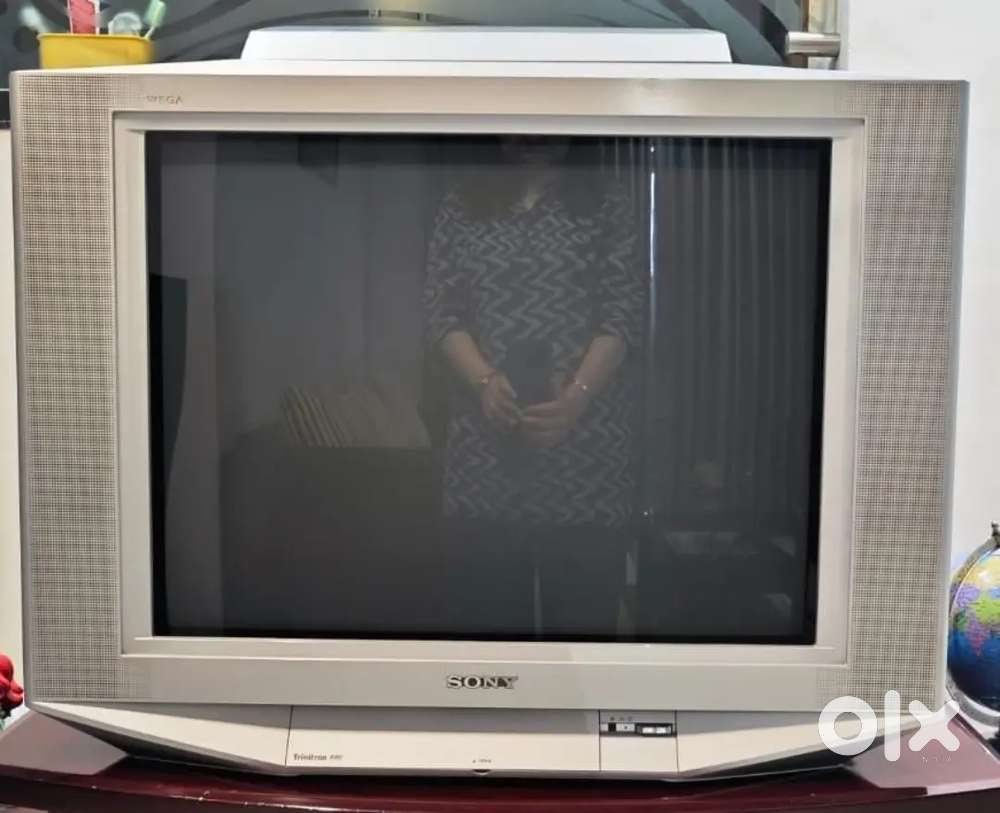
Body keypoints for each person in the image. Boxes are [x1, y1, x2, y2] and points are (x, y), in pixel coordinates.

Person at [424, 137, 645, 637]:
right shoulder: (462, 204)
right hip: (484, 459)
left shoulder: (606, 201)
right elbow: (442, 315)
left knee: (584, 636)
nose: (535, 140)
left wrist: (575, 399)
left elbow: (623, 315)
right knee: (489, 642)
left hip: (588, 461)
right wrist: (484, 382)